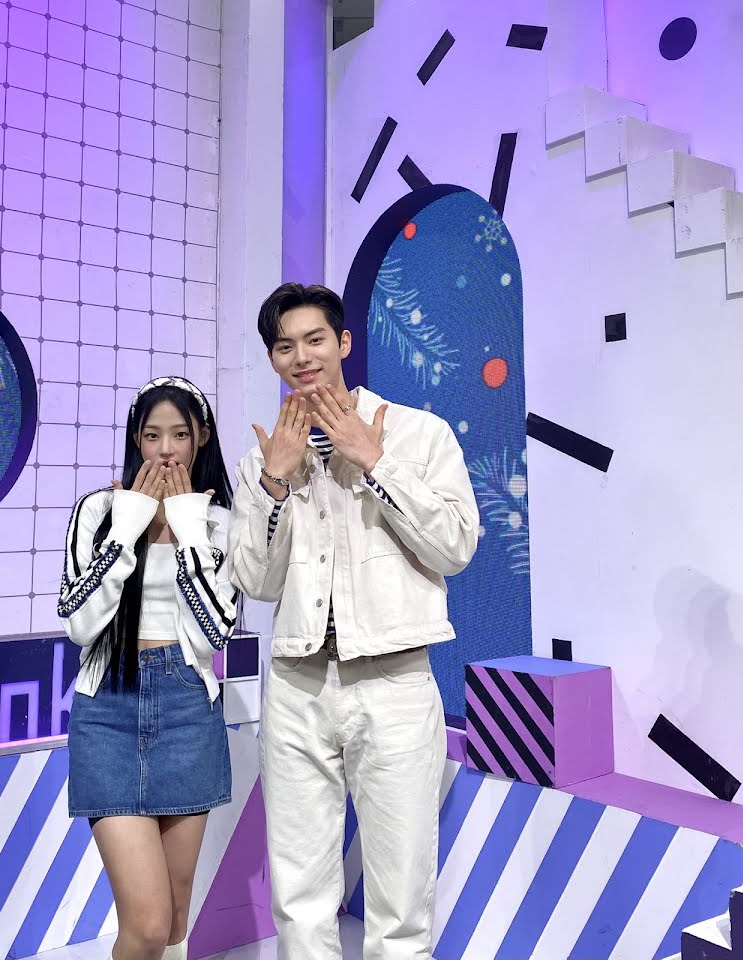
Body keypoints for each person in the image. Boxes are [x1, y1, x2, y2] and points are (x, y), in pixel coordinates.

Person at [229, 283, 479, 959]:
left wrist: (374, 460)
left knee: (400, 904)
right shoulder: (264, 459)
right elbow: (256, 581)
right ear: (273, 359)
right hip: (296, 687)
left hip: (394, 683)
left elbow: (455, 547)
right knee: (300, 898)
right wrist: (275, 485)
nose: (302, 357)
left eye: (315, 339)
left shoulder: (419, 434)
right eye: (285, 346)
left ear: (342, 343)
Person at [59, 376, 238, 960]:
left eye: (179, 435)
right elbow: (80, 623)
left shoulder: (218, 522)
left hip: (187, 709)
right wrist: (129, 524)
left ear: (200, 438)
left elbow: (215, 632)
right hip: (107, 708)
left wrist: (188, 527)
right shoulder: (99, 510)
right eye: (152, 435)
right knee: (147, 922)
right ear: (136, 440)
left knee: (176, 916)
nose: (165, 451)